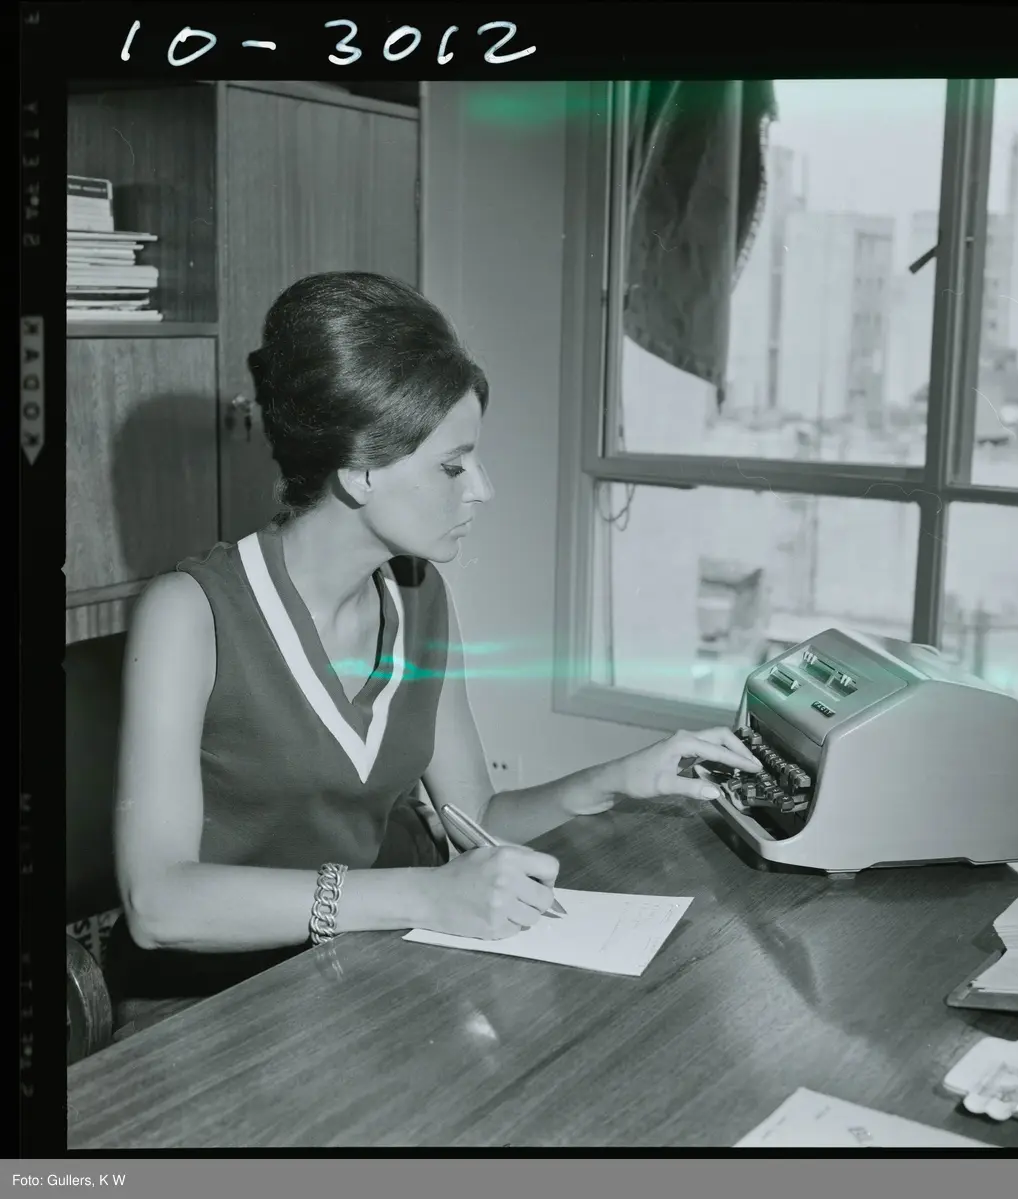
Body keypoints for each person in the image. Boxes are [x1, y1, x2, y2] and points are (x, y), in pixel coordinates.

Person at [109, 271, 761, 1035]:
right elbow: (159, 903)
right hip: (200, 1013)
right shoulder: (188, 613)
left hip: (348, 980)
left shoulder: (419, 597)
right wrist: (423, 894)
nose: (482, 488)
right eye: (453, 465)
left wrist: (617, 778)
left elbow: (475, 817)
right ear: (360, 470)